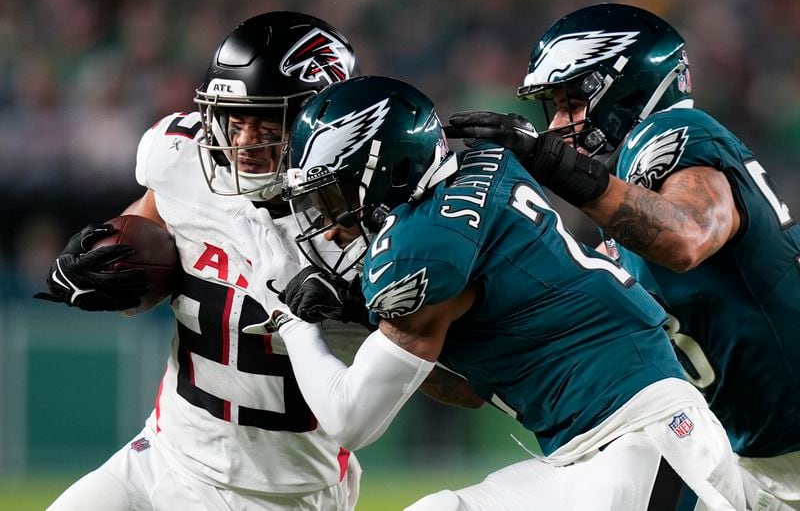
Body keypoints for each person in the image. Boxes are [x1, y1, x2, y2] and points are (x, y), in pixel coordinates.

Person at [243, 74, 746, 510]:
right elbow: (466, 388)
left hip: (649, 439)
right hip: (589, 452)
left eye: (332, 198)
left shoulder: (424, 248)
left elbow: (349, 419)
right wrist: (359, 312)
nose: (330, 229)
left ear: (384, 173)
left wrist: (292, 318)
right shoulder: (459, 197)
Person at [444, 3, 800, 510]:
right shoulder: (618, 234)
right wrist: (396, 326)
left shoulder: (674, 133)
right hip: (750, 467)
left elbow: (688, 236)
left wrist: (552, 165)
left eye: (572, 102)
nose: (558, 125)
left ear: (626, 88)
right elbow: (507, 369)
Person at [36, 11, 367, 510]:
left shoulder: (368, 224)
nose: (243, 141)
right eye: (236, 117)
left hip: (281, 492)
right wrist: (103, 263)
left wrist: (361, 314)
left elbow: (438, 369)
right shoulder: (183, 162)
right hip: (165, 452)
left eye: (267, 120)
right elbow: (143, 230)